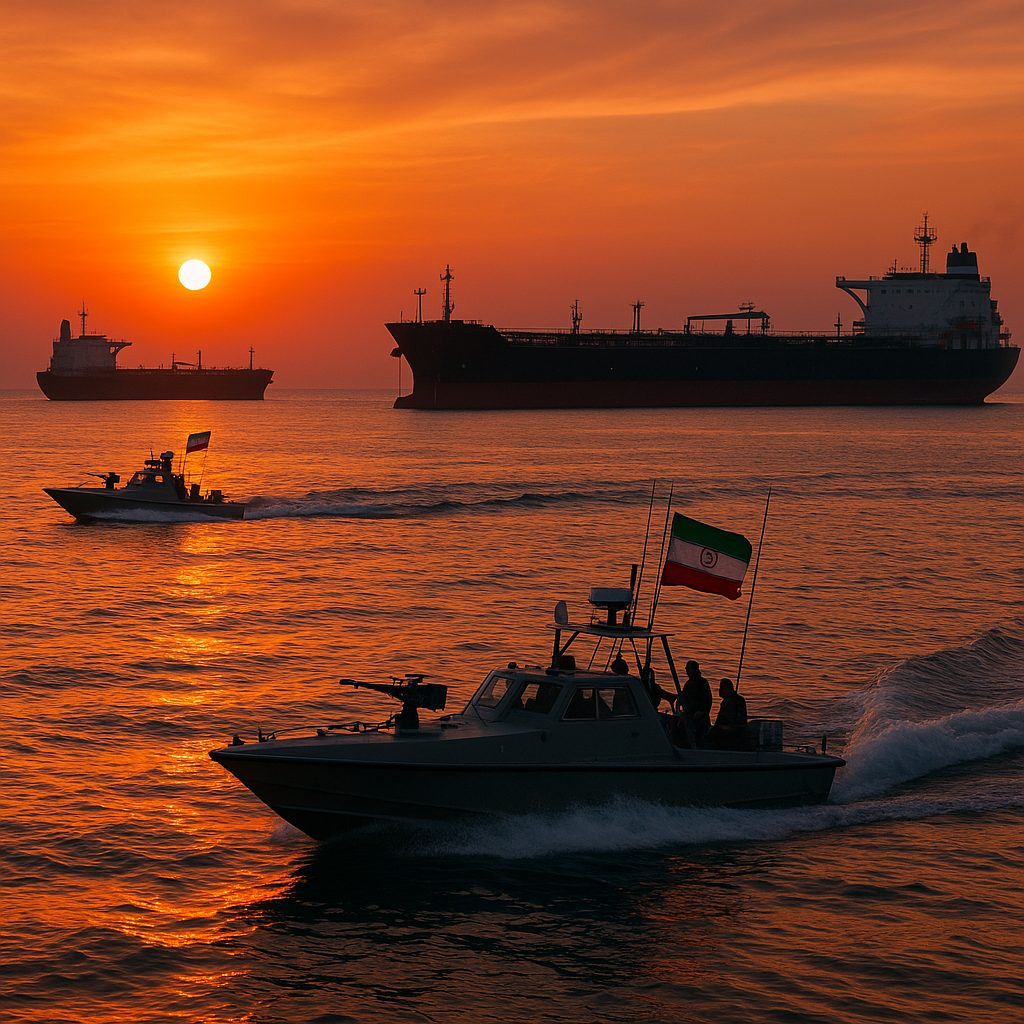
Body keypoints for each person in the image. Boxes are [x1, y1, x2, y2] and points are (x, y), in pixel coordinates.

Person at [709, 678, 748, 749]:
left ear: (725, 689)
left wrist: (717, 726)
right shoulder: (740, 699)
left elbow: (723, 719)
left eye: (720, 688)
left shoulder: (728, 701)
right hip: (741, 730)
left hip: (731, 733)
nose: (719, 691)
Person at [680, 660, 713, 745]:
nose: (686, 671)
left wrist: (701, 712)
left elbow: (707, 701)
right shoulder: (688, 683)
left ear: (694, 670)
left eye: (688, 669)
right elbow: (683, 697)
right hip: (689, 714)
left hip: (699, 716)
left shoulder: (702, 683)